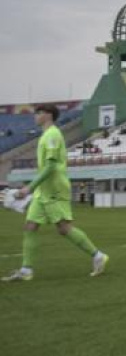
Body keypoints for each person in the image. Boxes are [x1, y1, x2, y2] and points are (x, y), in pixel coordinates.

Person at [2, 105, 109, 282]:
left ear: (48, 115)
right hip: (43, 191)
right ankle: (26, 270)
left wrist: (29, 187)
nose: (35, 116)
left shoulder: (52, 135)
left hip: (54, 190)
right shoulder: (46, 135)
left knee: (64, 229)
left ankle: (98, 256)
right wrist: (35, 188)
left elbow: (51, 166)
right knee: (30, 226)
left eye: (38, 113)